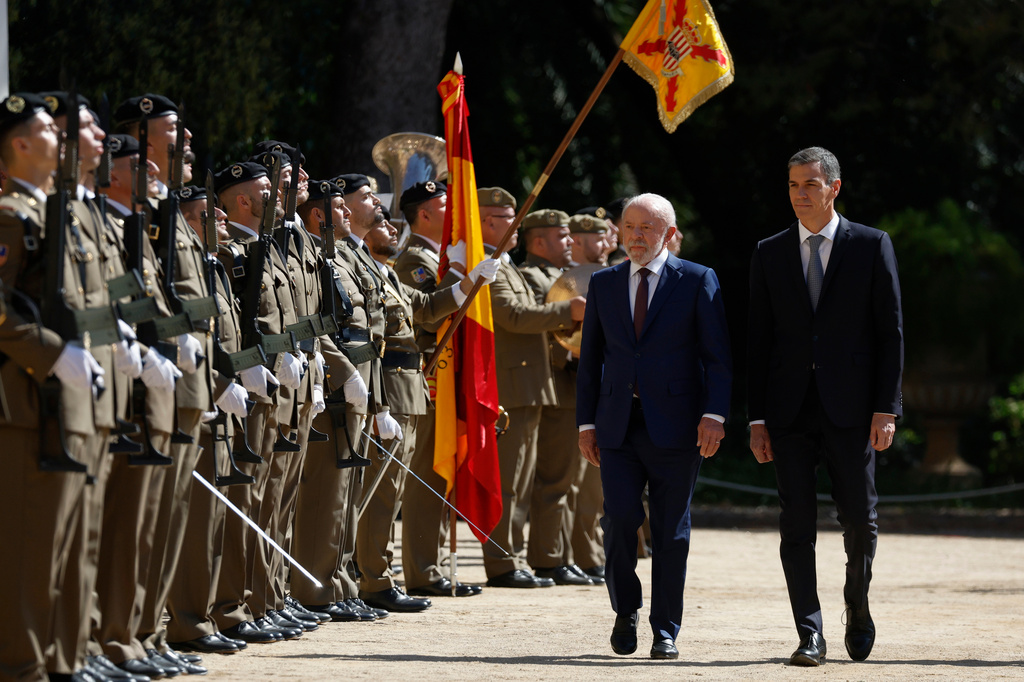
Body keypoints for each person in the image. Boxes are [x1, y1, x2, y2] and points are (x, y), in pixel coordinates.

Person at [747, 146, 903, 666]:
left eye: (810, 184)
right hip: (788, 410)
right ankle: (808, 632)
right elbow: (759, 341)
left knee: (859, 518)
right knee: (796, 523)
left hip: (854, 409)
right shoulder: (769, 252)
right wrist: (757, 418)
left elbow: (891, 334)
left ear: (835, 187)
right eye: (793, 185)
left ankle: (857, 608)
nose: (799, 194)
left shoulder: (871, 244)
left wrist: (887, 407)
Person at [576, 192, 731, 660]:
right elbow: (590, 363)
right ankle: (626, 611)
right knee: (620, 520)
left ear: (668, 233)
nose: (636, 235)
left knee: (670, 531)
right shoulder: (604, 283)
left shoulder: (698, 279)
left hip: (680, 427)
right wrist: (586, 423)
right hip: (616, 425)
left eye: (647, 227)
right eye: (629, 226)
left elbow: (718, 357)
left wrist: (714, 416)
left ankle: (665, 629)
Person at [476, 189, 585, 588]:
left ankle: (515, 558)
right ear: (487, 222)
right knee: (509, 481)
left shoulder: (504, 265)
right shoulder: (488, 264)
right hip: (513, 386)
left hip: (529, 384)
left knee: (521, 481)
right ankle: (504, 562)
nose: (516, 224)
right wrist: (566, 311)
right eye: (507, 217)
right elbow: (514, 317)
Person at [517, 209, 593, 587]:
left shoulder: (561, 277)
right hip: (555, 382)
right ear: (539, 242)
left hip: (571, 384)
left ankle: (558, 555)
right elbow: (539, 332)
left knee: (567, 479)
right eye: (562, 237)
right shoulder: (531, 277)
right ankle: (548, 557)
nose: (570, 243)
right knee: (553, 478)